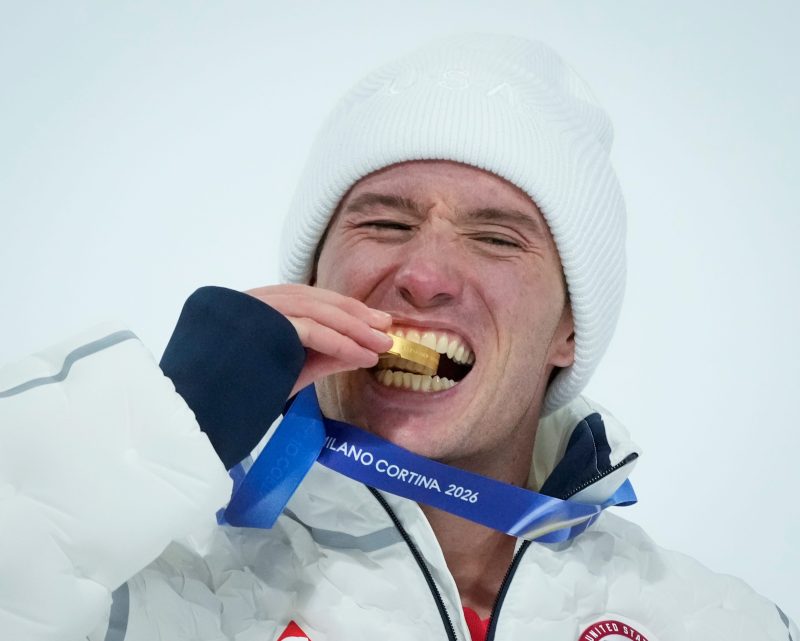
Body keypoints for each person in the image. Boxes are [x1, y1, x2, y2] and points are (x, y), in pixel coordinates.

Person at [0, 34, 796, 641]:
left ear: (568, 329)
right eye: (383, 222)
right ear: (314, 280)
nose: (423, 275)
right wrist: (153, 423)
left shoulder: (721, 621)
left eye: (497, 238)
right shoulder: (158, 592)